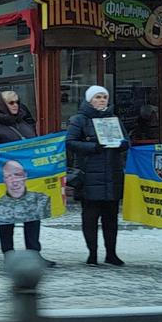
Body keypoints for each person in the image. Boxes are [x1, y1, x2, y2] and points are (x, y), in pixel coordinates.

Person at [0, 90, 56, 266]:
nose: (15, 105)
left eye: (17, 101)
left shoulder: (23, 123)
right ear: (1, 105)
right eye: (11, 103)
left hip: (27, 180)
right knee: (6, 218)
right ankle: (9, 255)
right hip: (5, 180)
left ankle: (34, 254)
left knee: (32, 215)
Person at [67, 86, 130, 267]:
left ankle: (111, 253)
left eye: (104, 97)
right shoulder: (79, 120)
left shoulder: (114, 119)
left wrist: (121, 144)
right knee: (90, 218)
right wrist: (93, 147)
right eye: (98, 97)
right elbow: (70, 142)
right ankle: (92, 253)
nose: (102, 100)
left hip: (112, 175)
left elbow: (127, 141)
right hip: (90, 176)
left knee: (111, 219)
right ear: (90, 100)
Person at [0, 160, 52, 225]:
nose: (14, 181)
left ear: (25, 175)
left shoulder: (41, 201)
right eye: (8, 176)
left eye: (18, 175)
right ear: (4, 179)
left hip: (33, 224)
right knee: (5, 231)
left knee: (32, 229)